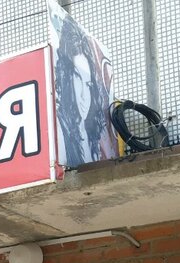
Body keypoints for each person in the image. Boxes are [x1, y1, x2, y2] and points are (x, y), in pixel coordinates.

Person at [52, 6, 118, 167]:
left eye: (88, 85)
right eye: (77, 79)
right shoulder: (60, 132)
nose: (84, 95)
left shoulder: (94, 133)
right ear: (66, 80)